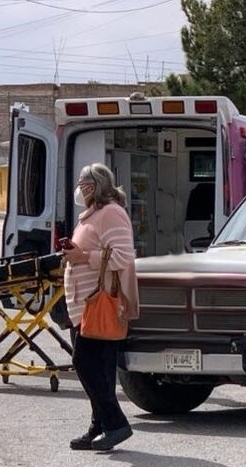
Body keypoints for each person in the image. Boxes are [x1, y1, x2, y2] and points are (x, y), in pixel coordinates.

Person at [62, 163, 140, 451]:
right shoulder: (92, 215)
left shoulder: (111, 213)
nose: (79, 190)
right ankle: (99, 426)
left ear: (94, 187)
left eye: (84, 184)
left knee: (86, 363)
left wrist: (84, 257)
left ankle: (116, 423)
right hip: (85, 305)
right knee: (101, 369)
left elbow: (122, 256)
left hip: (100, 303)